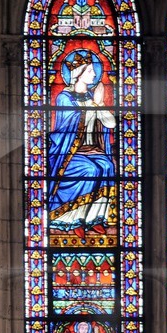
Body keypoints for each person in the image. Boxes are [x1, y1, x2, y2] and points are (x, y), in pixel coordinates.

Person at [48, 49, 116, 238]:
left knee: (108, 166)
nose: (94, 74)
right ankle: (73, 219)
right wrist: (93, 106)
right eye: (89, 71)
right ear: (78, 74)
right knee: (90, 170)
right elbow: (68, 125)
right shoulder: (64, 98)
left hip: (92, 150)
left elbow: (111, 123)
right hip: (70, 152)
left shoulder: (92, 97)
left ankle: (94, 219)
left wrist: (99, 105)